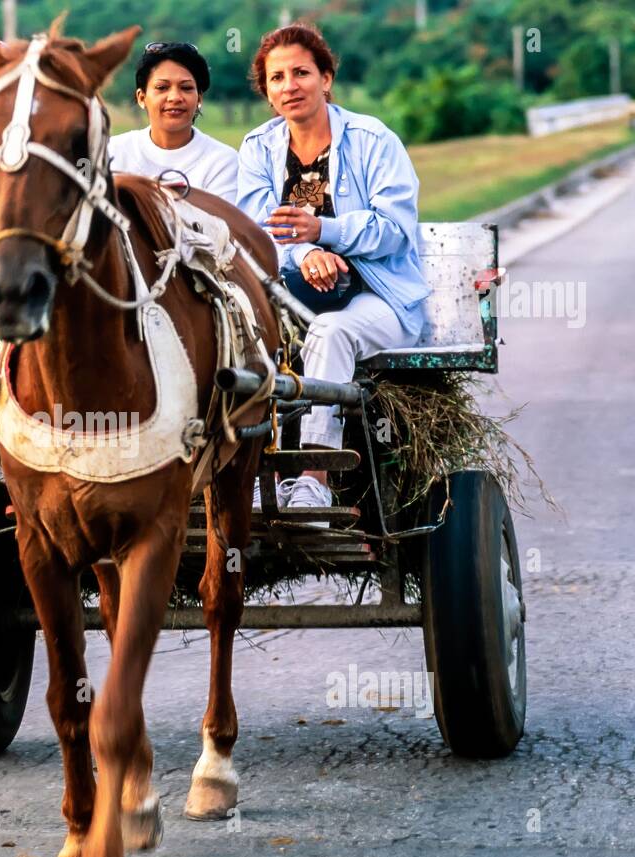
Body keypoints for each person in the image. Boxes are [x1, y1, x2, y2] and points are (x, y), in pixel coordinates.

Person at [236, 22, 431, 511]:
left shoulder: (372, 139)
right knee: (231, 334)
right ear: (267, 90)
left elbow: (395, 228)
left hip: (379, 296)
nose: (289, 86)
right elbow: (261, 233)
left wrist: (325, 232)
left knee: (330, 333)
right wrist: (308, 253)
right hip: (292, 291)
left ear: (326, 78)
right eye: (276, 78)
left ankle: (313, 480)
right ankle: (249, 480)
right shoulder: (259, 148)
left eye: (301, 72)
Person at [108, 41, 239, 204]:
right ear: (141, 98)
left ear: (199, 98)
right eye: (162, 87)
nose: (175, 97)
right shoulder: (113, 153)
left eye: (186, 88)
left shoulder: (223, 162)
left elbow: (223, 227)